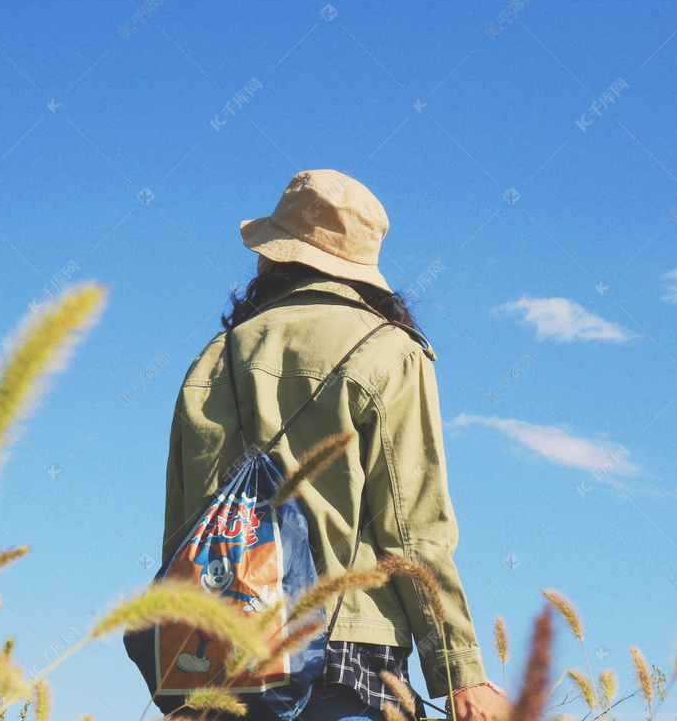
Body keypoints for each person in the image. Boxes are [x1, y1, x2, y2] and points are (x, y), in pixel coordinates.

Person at [162, 170, 512, 721]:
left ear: (276, 255)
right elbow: (414, 530)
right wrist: (460, 672)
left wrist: (182, 666)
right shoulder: (391, 352)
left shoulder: (215, 356)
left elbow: (184, 524)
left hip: (220, 658)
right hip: (344, 654)